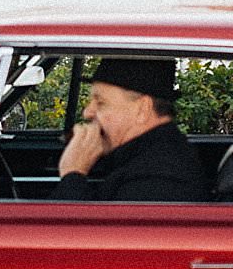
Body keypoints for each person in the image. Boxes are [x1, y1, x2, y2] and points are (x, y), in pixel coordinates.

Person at [53, 58, 209, 201]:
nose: (87, 112)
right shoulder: (147, 158)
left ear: (142, 109)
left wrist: (73, 174)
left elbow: (91, 224)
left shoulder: (161, 179)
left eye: (101, 103)